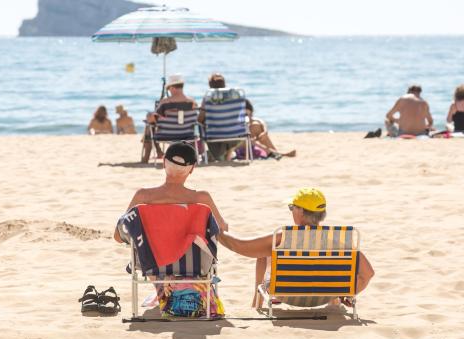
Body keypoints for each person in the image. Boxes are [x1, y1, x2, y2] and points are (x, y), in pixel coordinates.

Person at [219, 188, 374, 308]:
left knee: (265, 253)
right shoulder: (338, 239)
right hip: (326, 296)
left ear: (301, 212)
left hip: (285, 295)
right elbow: (367, 274)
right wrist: (346, 294)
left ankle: (257, 303)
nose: (291, 210)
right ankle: (334, 302)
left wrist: (217, 233)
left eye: (292, 207)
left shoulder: (284, 236)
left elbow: (242, 247)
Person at [114, 141, 228, 245]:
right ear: (192, 168)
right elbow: (222, 229)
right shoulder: (203, 199)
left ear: (164, 162)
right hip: (194, 264)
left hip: (150, 264)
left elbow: (119, 236)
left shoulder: (143, 196)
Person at [200, 73, 296, 161]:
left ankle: (274, 153)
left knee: (256, 127)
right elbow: (243, 117)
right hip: (236, 136)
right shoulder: (235, 96)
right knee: (255, 128)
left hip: (215, 137)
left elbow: (200, 120)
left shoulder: (208, 99)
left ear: (210, 86)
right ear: (224, 84)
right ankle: (275, 153)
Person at [141, 74, 198, 163]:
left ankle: (149, 156)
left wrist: (149, 116)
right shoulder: (193, 103)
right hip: (188, 135)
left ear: (172, 88)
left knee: (149, 125)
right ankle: (158, 152)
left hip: (166, 136)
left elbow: (153, 119)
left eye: (168, 88)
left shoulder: (164, 103)